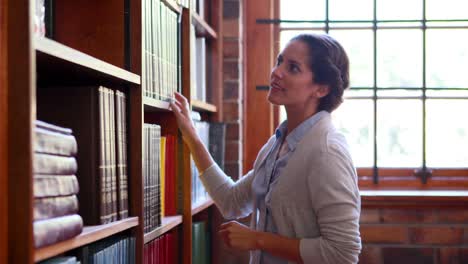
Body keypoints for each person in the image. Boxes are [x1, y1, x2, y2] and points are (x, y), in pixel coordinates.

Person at [170, 33, 361, 264]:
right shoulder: (278, 143)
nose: (276, 72)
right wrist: (191, 134)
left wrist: (258, 240)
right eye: (280, 61)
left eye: (293, 68)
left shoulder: (328, 152)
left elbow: (343, 253)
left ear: (321, 89)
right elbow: (232, 202)